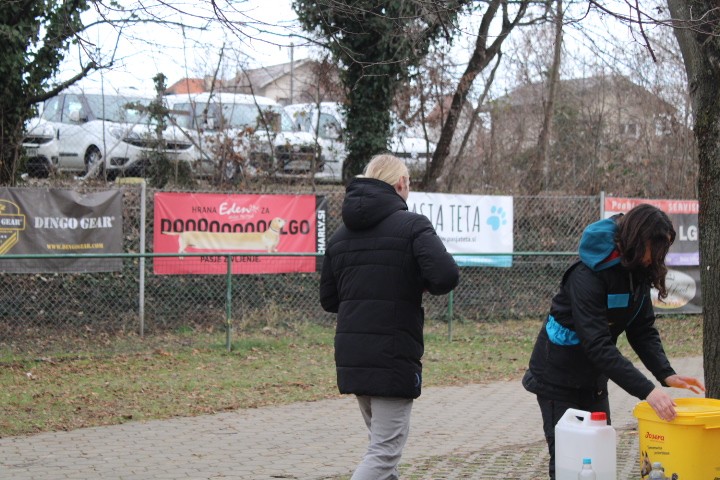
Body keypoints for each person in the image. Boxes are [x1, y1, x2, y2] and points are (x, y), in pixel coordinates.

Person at [521, 203, 705, 479]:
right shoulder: (587, 275)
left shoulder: (637, 272)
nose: (658, 256)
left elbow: (642, 329)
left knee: (598, 455)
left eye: (662, 248)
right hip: (556, 377)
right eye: (654, 246)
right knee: (568, 462)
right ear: (636, 239)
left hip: (593, 378)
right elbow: (597, 344)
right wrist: (648, 391)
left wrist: (666, 374)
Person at [319, 154, 460, 480]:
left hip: (353, 356)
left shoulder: (340, 238)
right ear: (401, 184)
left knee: (382, 451)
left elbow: (328, 300)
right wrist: (414, 284)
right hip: (393, 353)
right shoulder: (412, 226)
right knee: (383, 454)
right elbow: (446, 276)